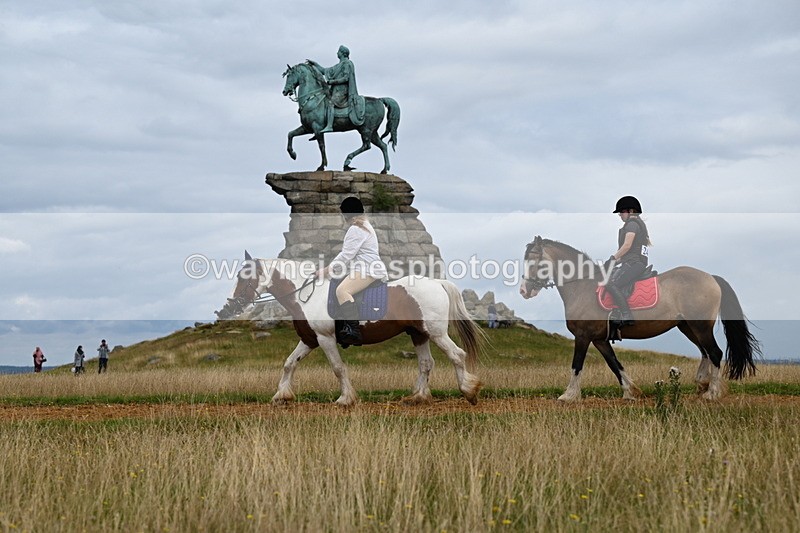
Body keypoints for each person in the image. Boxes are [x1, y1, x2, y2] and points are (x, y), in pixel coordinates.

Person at [315, 196, 388, 345]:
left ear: (346, 214)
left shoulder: (356, 229)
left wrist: (327, 270)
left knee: (342, 291)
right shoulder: (365, 225)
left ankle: (353, 331)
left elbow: (346, 255)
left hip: (367, 269)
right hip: (364, 267)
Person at [604, 196, 652, 327]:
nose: (619, 215)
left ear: (631, 211)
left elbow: (627, 246)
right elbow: (628, 252)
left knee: (611, 283)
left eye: (622, 211)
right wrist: (612, 262)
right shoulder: (637, 224)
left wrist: (613, 258)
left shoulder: (632, 224)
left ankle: (626, 314)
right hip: (633, 261)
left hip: (634, 263)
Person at [307, 45, 365, 132]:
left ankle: (330, 126)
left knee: (330, 103)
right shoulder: (338, 65)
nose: (337, 53)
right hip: (335, 91)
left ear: (342, 53)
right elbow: (324, 71)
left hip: (343, 92)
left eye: (338, 51)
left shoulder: (347, 64)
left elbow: (346, 78)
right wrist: (315, 64)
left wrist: (332, 82)